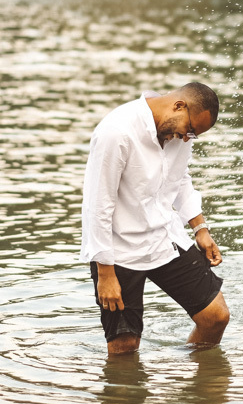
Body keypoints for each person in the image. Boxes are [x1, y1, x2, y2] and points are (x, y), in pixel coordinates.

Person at [80, 83, 230, 355]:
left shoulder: (178, 134)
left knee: (215, 317)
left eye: (193, 135)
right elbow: (97, 205)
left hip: (165, 239)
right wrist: (105, 272)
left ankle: (195, 379)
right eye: (190, 130)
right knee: (124, 347)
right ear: (179, 106)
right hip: (119, 252)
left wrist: (200, 228)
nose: (187, 138)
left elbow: (180, 178)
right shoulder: (116, 132)